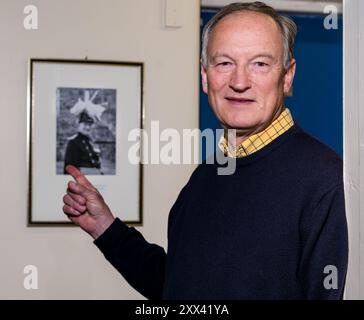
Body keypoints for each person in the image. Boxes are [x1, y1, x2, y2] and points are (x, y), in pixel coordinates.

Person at [62, 1, 348, 299]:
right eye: (224, 63)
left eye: (260, 64)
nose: (239, 82)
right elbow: (178, 286)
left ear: (287, 76)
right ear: (204, 76)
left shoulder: (325, 180)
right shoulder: (206, 175)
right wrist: (105, 227)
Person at [63, 110, 103, 175]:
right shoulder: (73, 142)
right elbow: (69, 170)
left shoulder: (90, 142)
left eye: (90, 125)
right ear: (78, 124)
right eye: (85, 124)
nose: (87, 127)